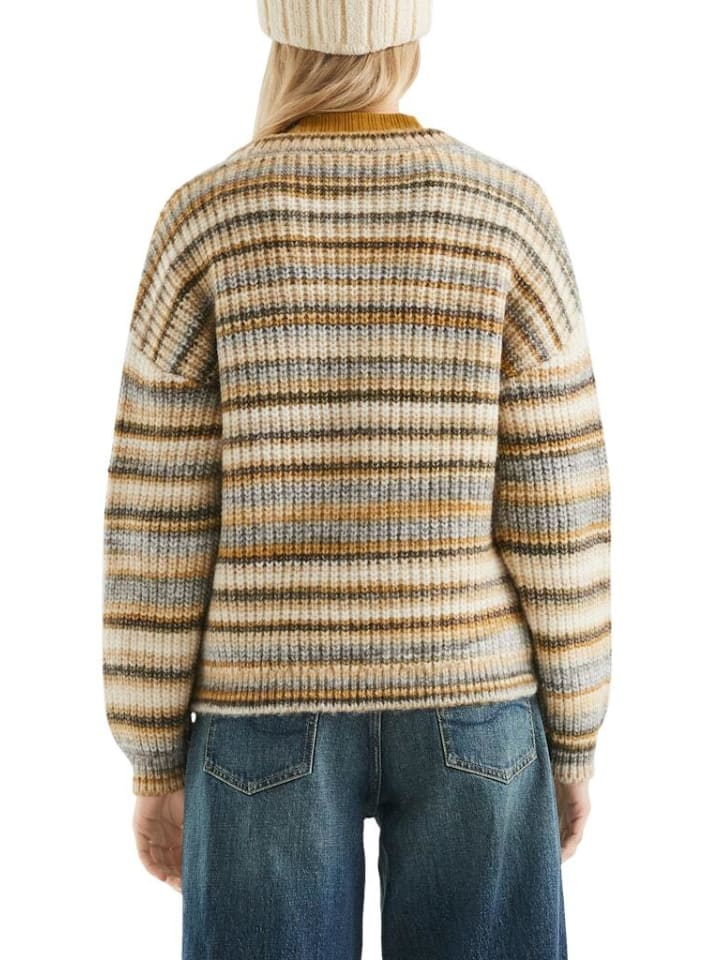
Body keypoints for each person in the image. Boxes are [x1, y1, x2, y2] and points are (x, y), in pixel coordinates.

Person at [102, 1, 612, 957]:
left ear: (281, 35)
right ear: (409, 35)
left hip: (262, 703)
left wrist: (151, 755)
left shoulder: (205, 221)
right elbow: (560, 509)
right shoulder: (506, 215)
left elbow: (157, 521)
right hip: (474, 695)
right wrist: (576, 736)